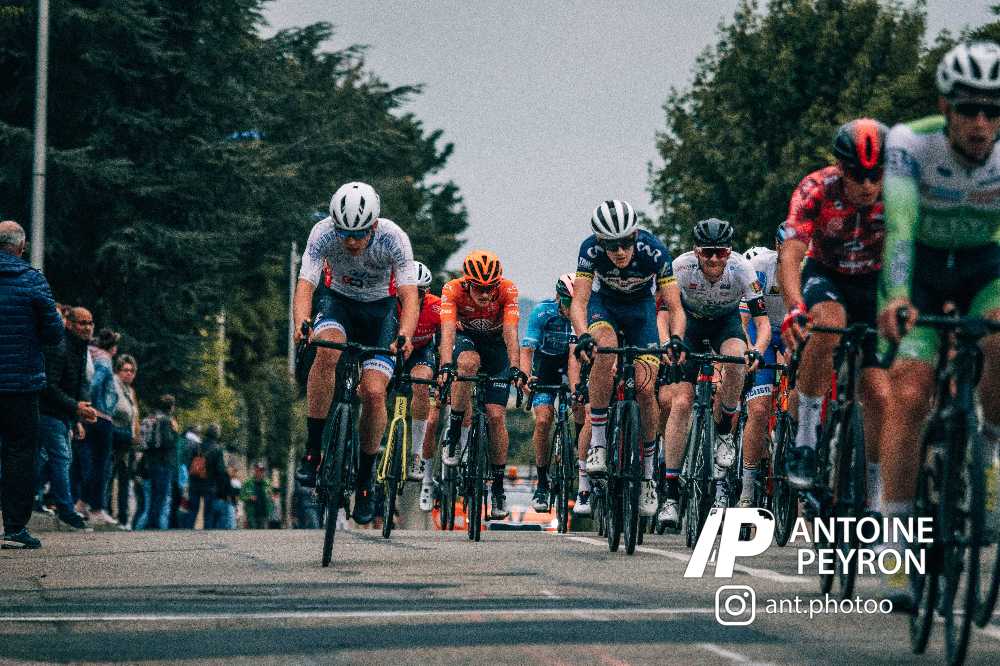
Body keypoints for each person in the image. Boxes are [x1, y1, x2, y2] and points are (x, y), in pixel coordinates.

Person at [877, 41, 1000, 605]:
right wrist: (899, 296)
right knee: (908, 393)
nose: (981, 124)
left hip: (984, 268)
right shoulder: (910, 143)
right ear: (945, 108)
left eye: (993, 111)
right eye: (969, 109)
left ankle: (988, 454)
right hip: (921, 268)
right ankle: (895, 546)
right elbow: (900, 226)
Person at [293, 182, 419, 527]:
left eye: (359, 233)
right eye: (344, 233)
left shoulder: (394, 238)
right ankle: (313, 449)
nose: (351, 241)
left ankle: (366, 480)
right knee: (325, 350)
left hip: (380, 313)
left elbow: (409, 296)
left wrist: (406, 334)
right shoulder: (322, 233)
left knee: (374, 392)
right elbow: (306, 285)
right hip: (338, 303)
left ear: (374, 225)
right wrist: (302, 323)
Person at [780, 118, 891, 499]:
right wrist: (794, 307)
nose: (867, 185)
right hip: (827, 274)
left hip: (874, 282)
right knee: (828, 324)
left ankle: (875, 493)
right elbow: (791, 254)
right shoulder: (816, 188)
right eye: (858, 175)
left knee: (879, 394)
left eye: (876, 175)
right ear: (841, 168)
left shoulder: (899, 194)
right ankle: (806, 439)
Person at [572, 200, 685, 521]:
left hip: (641, 313)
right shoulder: (589, 250)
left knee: (646, 390)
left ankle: (648, 477)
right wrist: (583, 335)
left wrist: (675, 338)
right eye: (611, 245)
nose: (620, 251)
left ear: (635, 235)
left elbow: (675, 307)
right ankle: (598, 445)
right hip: (604, 308)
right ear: (600, 241)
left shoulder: (655, 251)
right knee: (604, 348)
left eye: (625, 242)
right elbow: (579, 302)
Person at [658, 219, 768, 527]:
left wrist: (757, 350)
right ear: (696, 251)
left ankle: (724, 433)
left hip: (725, 323)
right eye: (707, 252)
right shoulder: (680, 268)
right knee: (682, 403)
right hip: (689, 325)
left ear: (730, 251)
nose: (714, 259)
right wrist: (667, 343)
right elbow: (663, 313)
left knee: (736, 360)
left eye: (721, 252)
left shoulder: (742, 269)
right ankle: (670, 493)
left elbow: (761, 322)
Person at [438, 250, 527, 520]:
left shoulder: (508, 290)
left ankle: (498, 488)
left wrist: (516, 368)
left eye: (491, 288)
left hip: (496, 347)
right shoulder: (452, 290)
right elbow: (447, 331)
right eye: (479, 288)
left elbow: (511, 332)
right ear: (467, 283)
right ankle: (454, 431)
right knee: (467, 363)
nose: (486, 294)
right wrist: (445, 365)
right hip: (466, 342)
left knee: (496, 416)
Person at [0, 220, 64, 548]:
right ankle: (14, 528)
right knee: (20, 452)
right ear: (21, 247)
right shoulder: (32, 280)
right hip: (20, 385)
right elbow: (54, 333)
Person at [520, 274, 583, 512]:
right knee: (543, 420)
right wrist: (525, 376)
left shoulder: (582, 315)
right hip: (545, 366)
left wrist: (577, 391)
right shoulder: (543, 312)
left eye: (576, 302)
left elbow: (575, 358)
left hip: (572, 364)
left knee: (580, 404)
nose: (571, 307)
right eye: (567, 302)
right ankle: (542, 483)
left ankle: (580, 449)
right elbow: (527, 349)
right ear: (558, 297)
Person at [737, 224, 789, 508]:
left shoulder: (810, 268)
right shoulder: (759, 267)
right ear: (777, 246)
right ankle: (746, 491)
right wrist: (749, 350)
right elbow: (744, 320)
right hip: (761, 332)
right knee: (758, 410)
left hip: (791, 332)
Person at [37, 305, 96, 530]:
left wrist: (78, 416)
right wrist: (76, 407)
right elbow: (49, 386)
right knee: (61, 458)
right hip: (47, 412)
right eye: (82, 323)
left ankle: (31, 498)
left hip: (62, 413)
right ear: (69, 324)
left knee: (43, 458)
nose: (87, 327)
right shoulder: (60, 346)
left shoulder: (79, 348)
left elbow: (78, 384)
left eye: (90, 323)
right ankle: (65, 510)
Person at [391, 261, 442, 512]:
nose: (413, 296)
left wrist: (444, 370)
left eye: (419, 292)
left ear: (426, 292)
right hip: (393, 350)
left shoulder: (435, 307)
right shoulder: (389, 302)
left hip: (421, 353)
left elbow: (445, 341)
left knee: (420, 384)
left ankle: (416, 453)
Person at [81, 328, 120, 525]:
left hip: (90, 415)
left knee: (89, 462)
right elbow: (96, 384)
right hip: (101, 416)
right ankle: (96, 508)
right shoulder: (104, 360)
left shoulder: (90, 354)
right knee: (101, 465)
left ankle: (82, 503)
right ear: (112, 347)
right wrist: (95, 405)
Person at [110, 354, 140, 528]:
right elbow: (117, 409)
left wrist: (135, 433)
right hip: (114, 434)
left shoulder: (131, 391)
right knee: (110, 474)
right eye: (126, 370)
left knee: (124, 478)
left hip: (127, 439)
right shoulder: (114, 384)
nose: (129, 373)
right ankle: (106, 510)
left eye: (132, 371)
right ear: (118, 371)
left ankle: (123, 517)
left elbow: (134, 415)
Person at [139, 394, 177, 530]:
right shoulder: (166, 420)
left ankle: (150, 524)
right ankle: (153, 526)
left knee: (153, 495)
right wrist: (174, 434)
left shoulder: (151, 418)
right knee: (161, 496)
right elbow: (167, 442)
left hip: (151, 462)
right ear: (171, 407)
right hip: (163, 462)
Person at [185, 423, 228, 528]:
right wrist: (222, 487)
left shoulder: (196, 446)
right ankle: (207, 534)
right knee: (208, 514)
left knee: (192, 511)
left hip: (194, 482)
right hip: (210, 485)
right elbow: (220, 470)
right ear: (217, 435)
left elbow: (188, 463)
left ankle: (186, 532)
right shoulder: (217, 449)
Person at [241, 462, 273, 529]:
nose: (261, 472)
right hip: (252, 514)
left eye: (262, 470)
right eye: (259, 470)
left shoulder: (267, 483)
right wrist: (249, 497)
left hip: (264, 513)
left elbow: (271, 496)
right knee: (253, 533)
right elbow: (241, 496)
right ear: (255, 470)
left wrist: (271, 499)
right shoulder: (248, 482)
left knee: (264, 533)